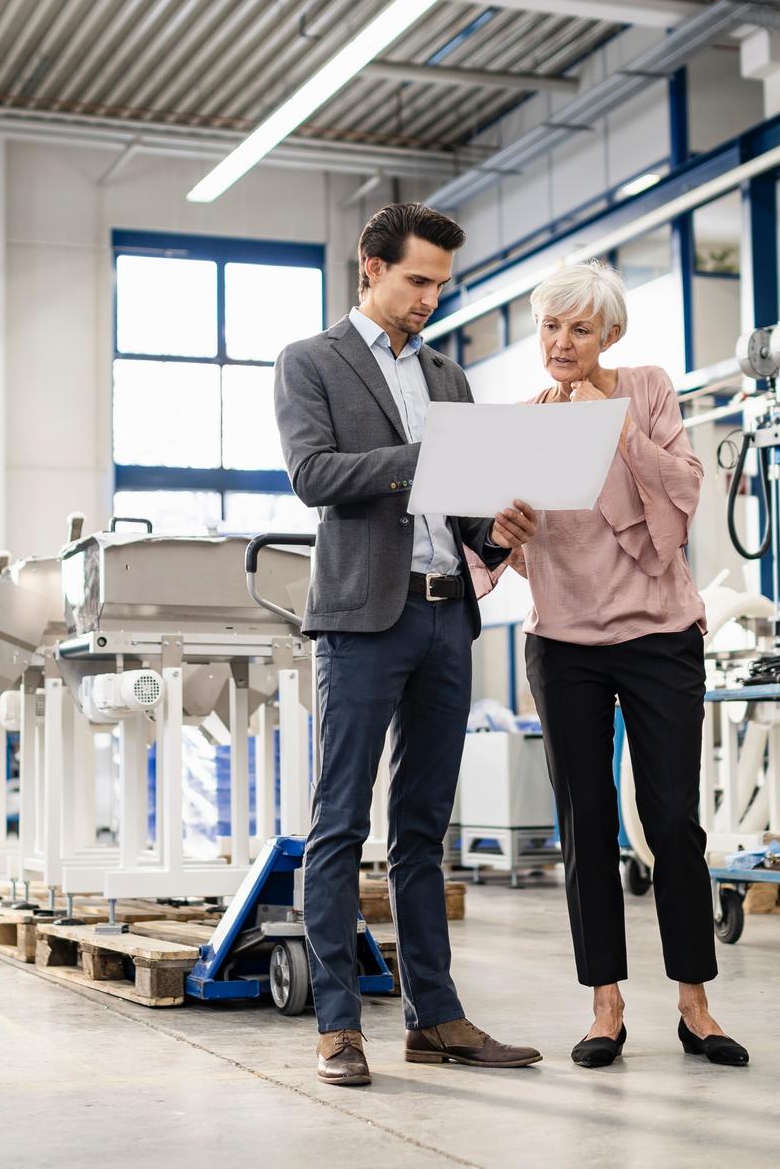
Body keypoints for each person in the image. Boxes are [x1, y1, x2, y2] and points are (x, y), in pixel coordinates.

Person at [274, 202, 541, 1088]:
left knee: (424, 828)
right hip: (360, 620)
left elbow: (463, 511)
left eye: (440, 285)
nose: (430, 299)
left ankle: (437, 1018)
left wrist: (500, 529)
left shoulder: (448, 378)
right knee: (340, 825)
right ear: (371, 269)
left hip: (444, 615)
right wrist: (413, 456)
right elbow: (314, 476)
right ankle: (339, 1026)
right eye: (418, 280)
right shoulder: (310, 363)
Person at [492, 259, 748, 1069]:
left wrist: (616, 427)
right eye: (549, 326)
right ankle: (605, 1007)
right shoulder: (526, 423)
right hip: (563, 645)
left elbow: (685, 488)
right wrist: (501, 526)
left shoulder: (646, 387)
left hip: (660, 635)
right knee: (587, 824)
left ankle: (695, 1005)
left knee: (672, 819)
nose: (561, 343)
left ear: (609, 335)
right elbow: (495, 548)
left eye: (578, 328)